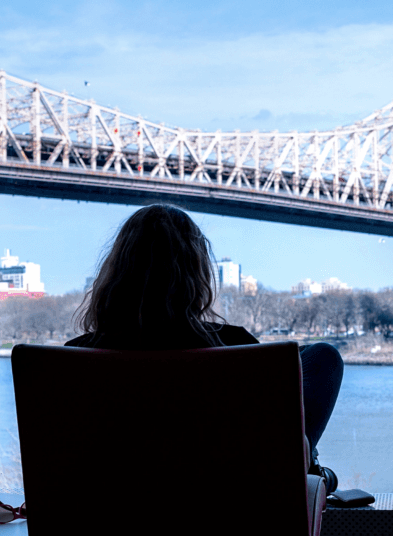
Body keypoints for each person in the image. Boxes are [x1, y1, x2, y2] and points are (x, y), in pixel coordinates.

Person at [66, 204, 345, 491]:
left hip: (105, 521)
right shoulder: (236, 348)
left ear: (115, 271)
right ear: (196, 273)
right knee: (323, 356)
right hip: (221, 521)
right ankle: (309, 462)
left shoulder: (73, 358)